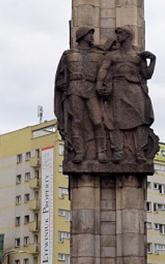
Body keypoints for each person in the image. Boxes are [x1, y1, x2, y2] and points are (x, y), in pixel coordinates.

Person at [96, 27, 158, 163]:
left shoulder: (138, 56)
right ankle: (117, 151)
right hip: (118, 88)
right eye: (117, 34)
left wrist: (153, 60)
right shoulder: (112, 55)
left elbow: (147, 75)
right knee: (114, 121)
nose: (118, 37)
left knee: (141, 120)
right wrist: (99, 84)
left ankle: (140, 151)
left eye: (120, 34)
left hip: (134, 89)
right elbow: (103, 70)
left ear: (128, 36)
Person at [54, 27, 108, 163]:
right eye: (89, 34)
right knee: (76, 122)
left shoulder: (98, 55)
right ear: (82, 36)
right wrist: (61, 84)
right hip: (74, 89)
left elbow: (107, 74)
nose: (92, 37)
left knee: (98, 121)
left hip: (91, 89)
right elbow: (60, 75)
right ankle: (79, 152)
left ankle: (101, 152)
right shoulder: (68, 54)